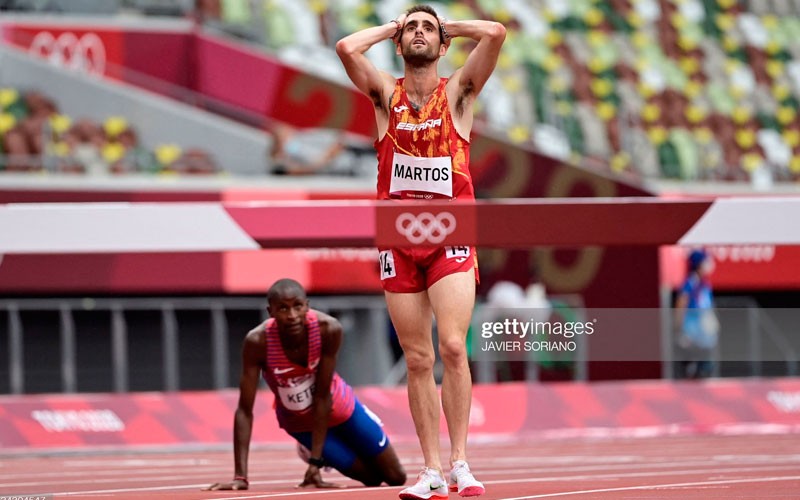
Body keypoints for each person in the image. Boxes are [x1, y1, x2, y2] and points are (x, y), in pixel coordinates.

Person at [336, 5, 505, 498]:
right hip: (397, 239)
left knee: (452, 346)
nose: (419, 33)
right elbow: (347, 48)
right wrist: (393, 25)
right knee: (416, 358)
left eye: (427, 28)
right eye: (411, 27)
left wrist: (449, 25)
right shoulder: (386, 98)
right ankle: (430, 470)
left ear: (443, 44)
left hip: (451, 233)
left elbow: (495, 33)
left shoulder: (458, 93)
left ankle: (460, 463)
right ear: (397, 41)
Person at [205, 278, 406, 491]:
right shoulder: (258, 342)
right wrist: (240, 477)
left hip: (342, 410)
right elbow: (245, 410)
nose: (291, 316)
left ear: (307, 306)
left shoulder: (327, 329)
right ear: (270, 311)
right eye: (282, 308)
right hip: (300, 424)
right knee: (372, 480)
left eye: (297, 307)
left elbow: (322, 397)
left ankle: (315, 452)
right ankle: (310, 447)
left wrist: (315, 463)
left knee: (396, 477)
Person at [674, 249, 719, 379]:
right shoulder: (690, 282)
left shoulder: (705, 284)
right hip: (691, 324)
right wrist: (678, 324)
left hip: (704, 325)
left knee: (706, 359)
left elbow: (708, 304)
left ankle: (701, 374)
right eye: (705, 262)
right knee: (690, 354)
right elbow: (682, 301)